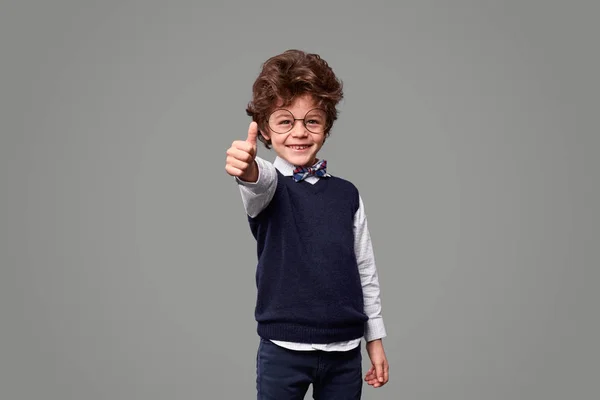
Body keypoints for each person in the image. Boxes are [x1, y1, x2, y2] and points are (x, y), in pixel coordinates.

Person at [225, 49, 389, 399]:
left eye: (311, 121)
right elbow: (256, 179)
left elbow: (365, 269)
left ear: (326, 126)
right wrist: (246, 166)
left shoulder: (348, 194)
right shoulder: (269, 184)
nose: (299, 132)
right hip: (283, 351)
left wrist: (373, 340)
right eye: (285, 121)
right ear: (266, 131)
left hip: (345, 351)